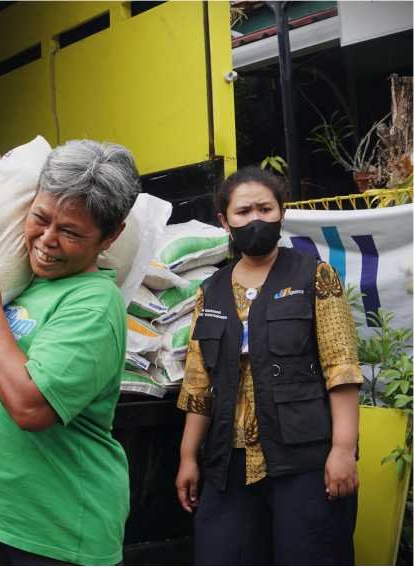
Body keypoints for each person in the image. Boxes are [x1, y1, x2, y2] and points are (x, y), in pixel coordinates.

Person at [0, 140, 140, 565]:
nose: (47, 241)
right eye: (40, 219)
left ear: (111, 236)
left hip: (53, 533)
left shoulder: (94, 304)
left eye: (70, 232)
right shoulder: (14, 272)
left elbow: (30, 408)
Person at [174, 166, 362, 565]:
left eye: (265, 208)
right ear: (225, 221)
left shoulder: (314, 276)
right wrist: (189, 457)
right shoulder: (210, 292)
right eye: (243, 212)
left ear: (282, 213)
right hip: (230, 463)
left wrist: (343, 449)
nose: (255, 219)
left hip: (304, 458)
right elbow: (197, 384)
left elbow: (341, 368)